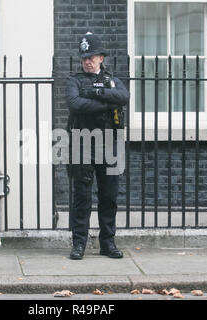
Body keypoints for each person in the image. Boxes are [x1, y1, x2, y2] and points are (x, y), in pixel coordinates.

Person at [66, 32, 129, 260]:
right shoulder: (74, 80)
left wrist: (97, 93)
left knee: (109, 196)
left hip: (110, 143)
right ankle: (79, 244)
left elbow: (124, 96)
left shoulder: (112, 80)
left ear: (101, 58)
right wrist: (105, 103)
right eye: (84, 57)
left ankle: (107, 243)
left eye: (92, 57)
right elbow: (75, 104)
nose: (87, 61)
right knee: (82, 196)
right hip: (82, 141)